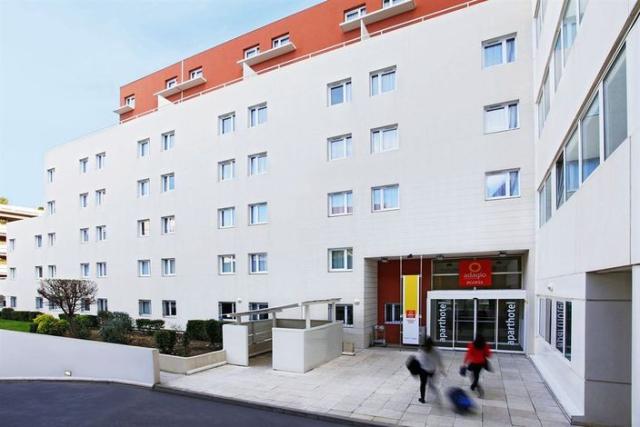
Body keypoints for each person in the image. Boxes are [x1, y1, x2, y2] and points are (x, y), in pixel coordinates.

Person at [415, 336, 445, 404]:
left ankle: (422, 399)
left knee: (423, 384)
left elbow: (419, 361)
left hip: (423, 371)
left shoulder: (422, 350)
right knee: (431, 384)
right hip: (432, 370)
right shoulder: (436, 350)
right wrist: (442, 369)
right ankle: (437, 395)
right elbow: (439, 360)